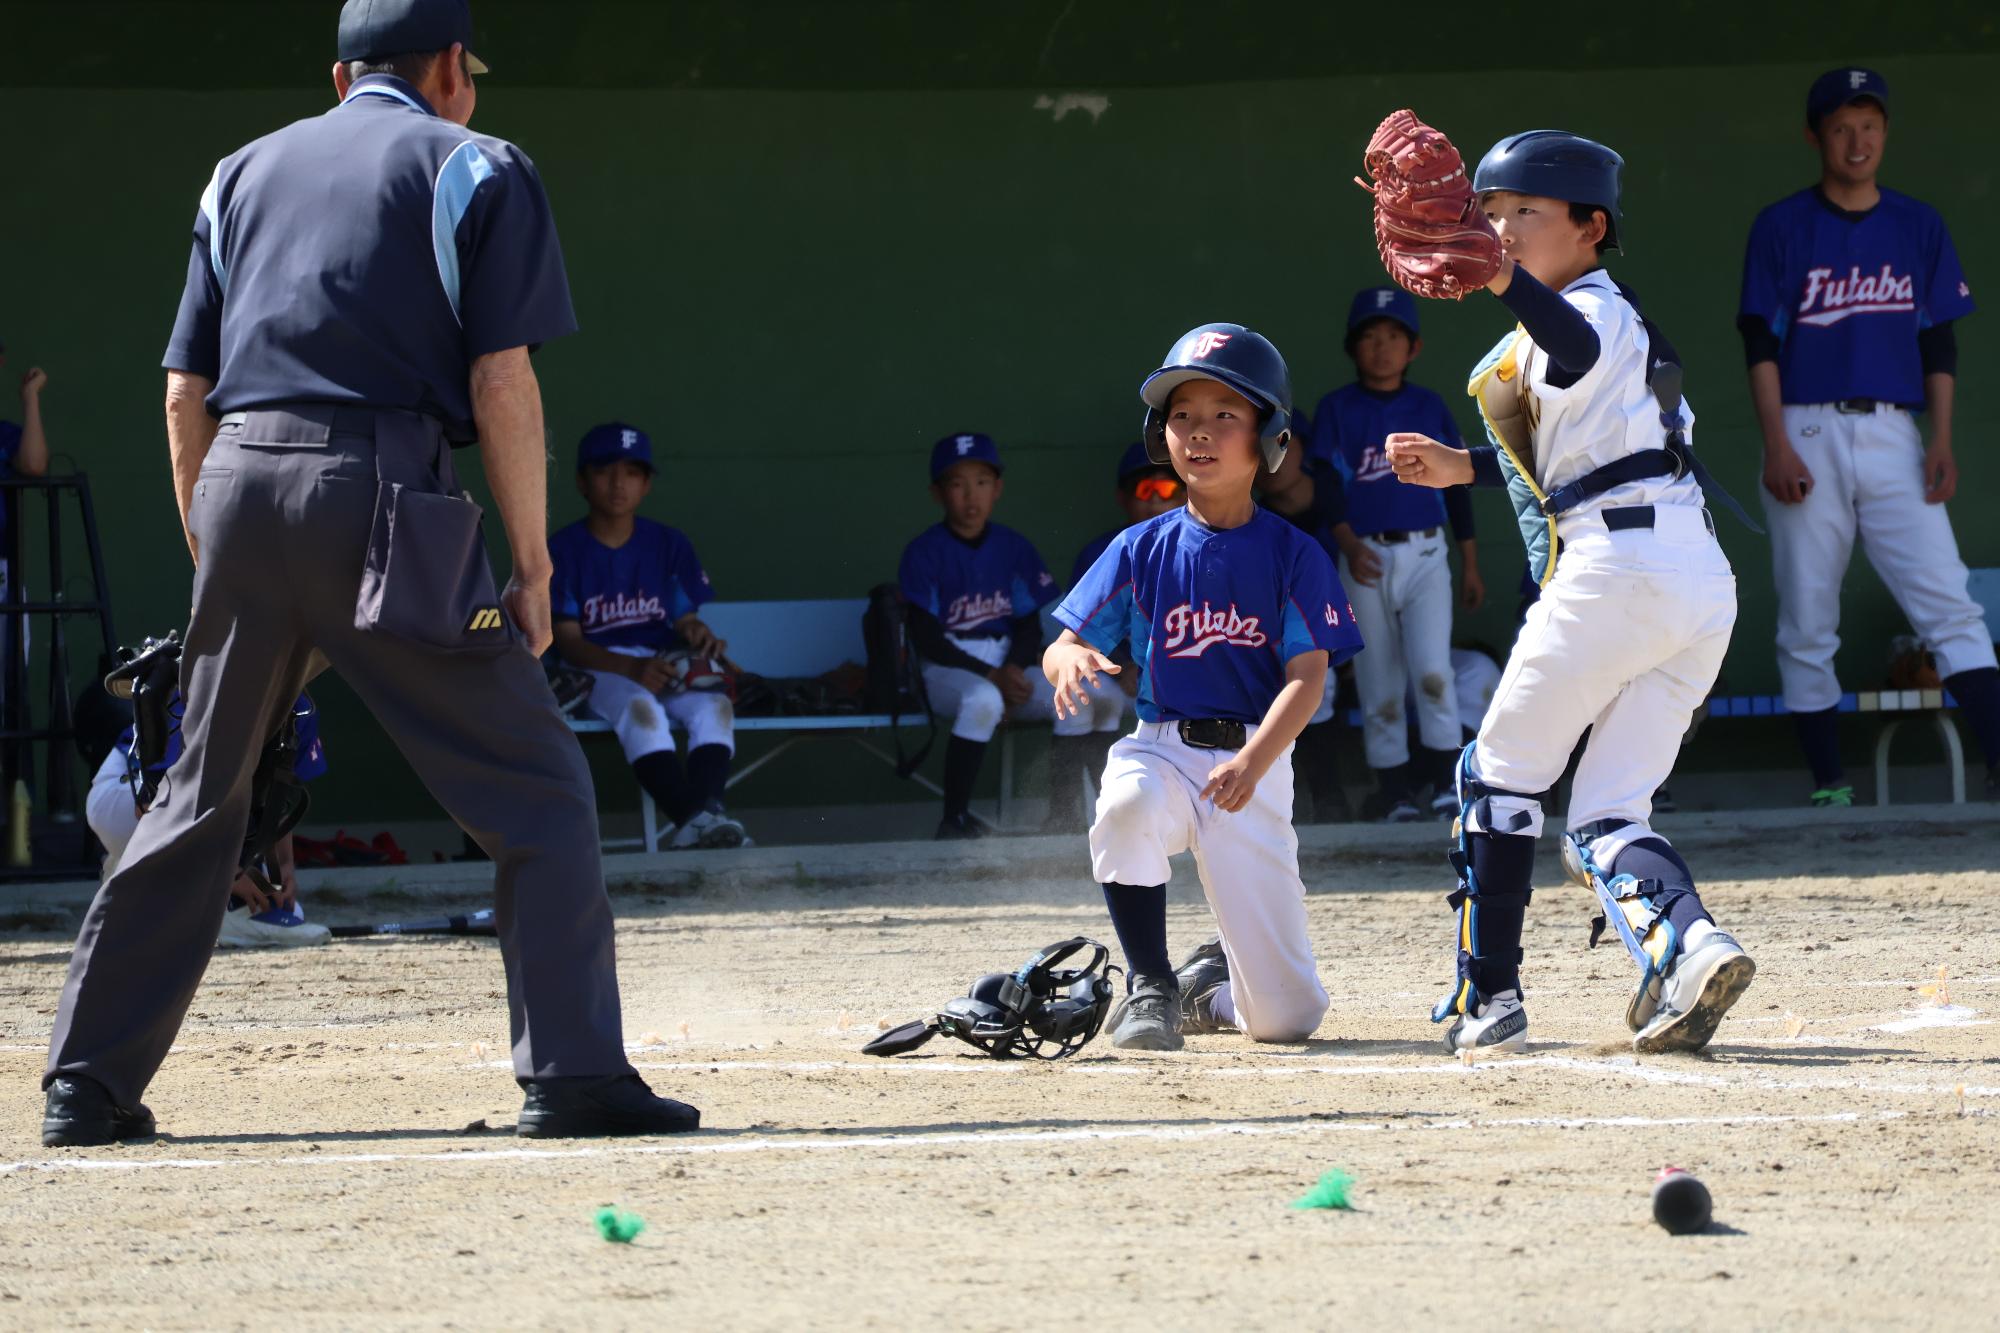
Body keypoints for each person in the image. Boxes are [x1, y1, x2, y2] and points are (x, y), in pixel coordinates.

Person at [41, 0, 699, 1148]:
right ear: (448, 67)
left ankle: (84, 1083)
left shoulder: (238, 170)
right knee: (539, 790)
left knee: (196, 797)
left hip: (239, 481)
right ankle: (574, 1072)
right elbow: (502, 381)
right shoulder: (479, 165)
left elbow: (182, 393)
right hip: (385, 490)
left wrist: (217, 549)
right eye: (467, 70)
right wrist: (534, 562)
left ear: (341, 76)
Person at [1383, 130, 1757, 1055]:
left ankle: (1491, 998)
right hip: (1691, 579)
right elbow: (1584, 458)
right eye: (1492, 212)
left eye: (1525, 214)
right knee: (1606, 810)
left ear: (1592, 228)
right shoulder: (1578, 328)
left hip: (1620, 570)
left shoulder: (1587, 307)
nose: (1499, 230)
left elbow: (1574, 341)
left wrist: (1505, 280)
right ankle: (1691, 946)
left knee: (1496, 774)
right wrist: (1460, 467)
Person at [1045, 323, 1362, 1050]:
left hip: (1253, 759)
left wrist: (1255, 761)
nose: (1200, 432)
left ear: (1269, 437)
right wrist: (1063, 659)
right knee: (1126, 805)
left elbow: (1307, 679)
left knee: (1288, 1019)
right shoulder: (1140, 546)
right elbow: (1065, 642)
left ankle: (1204, 994)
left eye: (1227, 415)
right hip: (1160, 748)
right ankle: (1150, 982)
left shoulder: (1295, 554)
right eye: (1183, 415)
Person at [1739, 67, 1997, 806]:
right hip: (1805, 425)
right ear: (1816, 135)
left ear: (1885, 133)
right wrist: (1775, 444)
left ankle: (1998, 762)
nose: (1858, 141)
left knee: (1949, 602)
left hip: (1894, 430)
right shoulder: (1782, 223)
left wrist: (1940, 437)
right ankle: (1829, 784)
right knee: (1807, 614)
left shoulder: (1918, 224)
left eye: (1870, 126)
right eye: (1842, 126)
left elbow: (1939, 345)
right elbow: (1758, 341)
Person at [1273, 288, 1483, 822]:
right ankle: (1391, 791)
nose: (1382, 347)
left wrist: (1471, 559)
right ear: (1354, 347)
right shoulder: (1339, 408)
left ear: (1412, 348)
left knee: (1434, 673)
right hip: (1363, 555)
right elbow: (1327, 483)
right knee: (1378, 680)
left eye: (1393, 336)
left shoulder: (1428, 405)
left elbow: (1458, 485)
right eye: (1370, 337)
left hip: (1426, 552)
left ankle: (1442, 784)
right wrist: (1346, 542)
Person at [550, 422, 748, 850]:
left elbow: (683, 617)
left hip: (659, 659)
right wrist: (630, 667)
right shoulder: (562, 549)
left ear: (647, 484)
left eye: (633, 472)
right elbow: (567, 641)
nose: (619, 483)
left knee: (715, 708)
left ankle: (708, 815)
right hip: (597, 664)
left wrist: (698, 633)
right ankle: (694, 821)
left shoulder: (668, 544)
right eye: (605, 471)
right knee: (642, 711)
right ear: (582, 482)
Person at [898, 432, 1073, 839]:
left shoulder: (1013, 547)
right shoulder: (924, 551)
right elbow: (926, 637)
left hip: (1007, 661)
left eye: (980, 481)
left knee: (1076, 697)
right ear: (937, 493)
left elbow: (1028, 622)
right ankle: (953, 818)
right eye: (957, 484)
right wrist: (993, 675)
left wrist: (1014, 666)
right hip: (947, 668)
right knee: (982, 698)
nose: (970, 495)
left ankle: (1065, 818)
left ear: (997, 489)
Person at [86, 690, 331, 948]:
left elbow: (276, 797)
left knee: (281, 905)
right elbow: (152, 805)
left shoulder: (300, 705)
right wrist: (226, 873)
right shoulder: (208, 688)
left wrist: (284, 868)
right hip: (124, 800)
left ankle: (150, 882)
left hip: (202, 820)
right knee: (233, 897)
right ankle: (137, 876)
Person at [1041, 441, 1180, 833]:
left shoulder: (1199, 548)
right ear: (1123, 497)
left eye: (1166, 489)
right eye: (1144, 490)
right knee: (1089, 697)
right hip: (1112, 668)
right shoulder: (1107, 550)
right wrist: (1124, 669)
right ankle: (1068, 813)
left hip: (1174, 674)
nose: (1154, 501)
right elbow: (1090, 628)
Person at [0, 339, 51, 701]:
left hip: (2, 578)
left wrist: (30, 397)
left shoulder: (3, 433)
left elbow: (34, 464)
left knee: (8, 694)